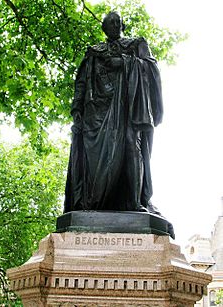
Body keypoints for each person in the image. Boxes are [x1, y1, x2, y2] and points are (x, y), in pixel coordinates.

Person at [64, 12, 163, 214]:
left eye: (118, 22)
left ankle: (136, 203)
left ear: (123, 25)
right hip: (98, 115)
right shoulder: (94, 52)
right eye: (111, 22)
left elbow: (152, 69)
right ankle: (94, 202)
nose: (115, 25)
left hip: (129, 110)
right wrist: (76, 110)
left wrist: (125, 62)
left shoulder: (136, 45)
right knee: (96, 159)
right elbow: (81, 83)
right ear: (104, 27)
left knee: (131, 146)